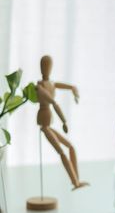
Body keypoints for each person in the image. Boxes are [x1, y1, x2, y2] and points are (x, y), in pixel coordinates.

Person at [36, 55, 88, 189]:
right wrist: (64, 121)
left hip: (49, 124)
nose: (47, 69)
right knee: (61, 152)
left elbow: (69, 86)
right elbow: (53, 102)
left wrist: (74, 90)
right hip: (44, 124)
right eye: (45, 66)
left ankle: (76, 181)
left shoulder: (51, 84)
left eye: (49, 66)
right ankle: (75, 183)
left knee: (71, 147)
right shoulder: (39, 86)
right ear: (41, 68)